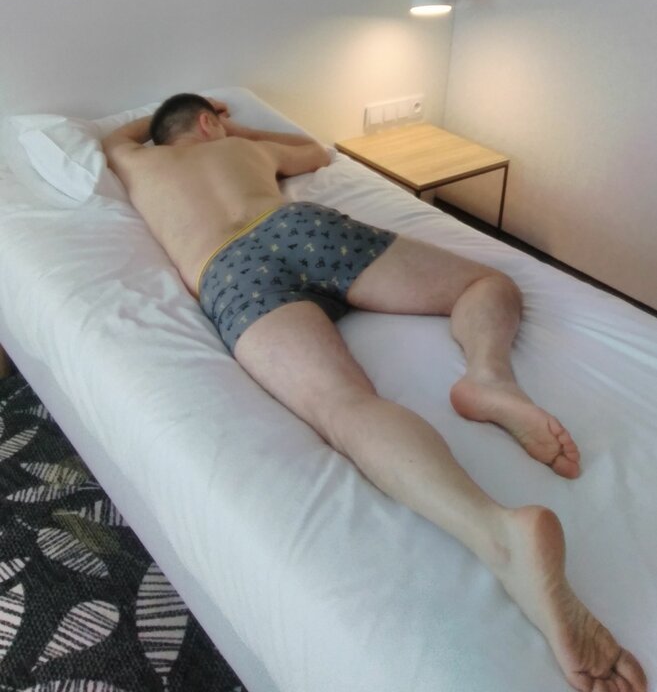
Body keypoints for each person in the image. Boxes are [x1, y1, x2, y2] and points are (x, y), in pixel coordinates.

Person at [103, 92, 646, 692]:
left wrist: (169, 121)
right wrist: (236, 128)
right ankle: (488, 376)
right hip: (299, 229)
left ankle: (497, 533)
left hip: (231, 273)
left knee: (344, 408)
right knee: (484, 284)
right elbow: (315, 152)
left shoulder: (139, 162)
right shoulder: (247, 150)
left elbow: (113, 139)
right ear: (209, 123)